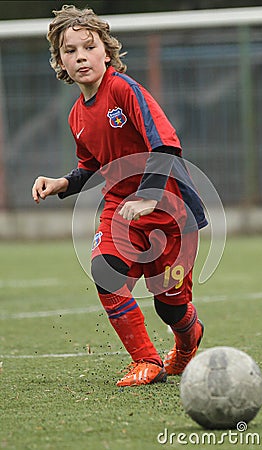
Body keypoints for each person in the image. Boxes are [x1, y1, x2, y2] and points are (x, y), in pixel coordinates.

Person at [32, 4, 207, 387]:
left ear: (106, 52)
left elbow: (165, 144)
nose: (80, 56)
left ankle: (188, 340)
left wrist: (148, 196)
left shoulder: (124, 89)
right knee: (104, 271)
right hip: (119, 208)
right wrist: (62, 183)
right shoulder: (76, 115)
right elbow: (92, 166)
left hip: (169, 213)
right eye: (70, 50)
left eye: (88, 47)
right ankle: (147, 361)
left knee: (171, 306)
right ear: (60, 61)